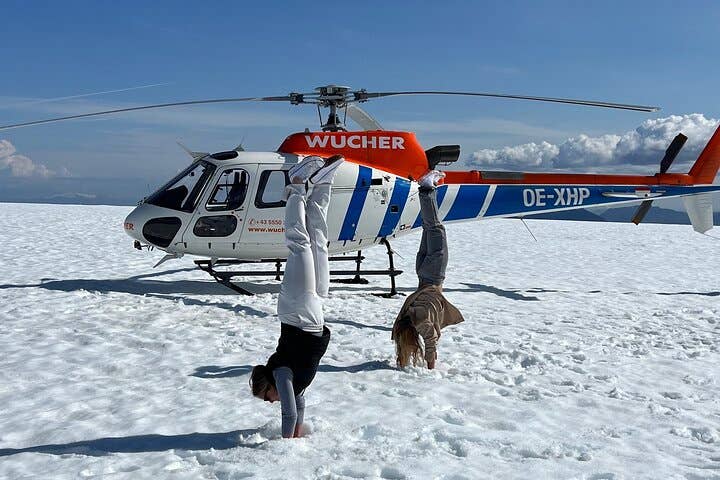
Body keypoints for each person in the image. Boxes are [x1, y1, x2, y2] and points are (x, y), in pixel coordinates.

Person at [250, 154, 343, 438]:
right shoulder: (294, 383)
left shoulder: (281, 374)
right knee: (318, 243)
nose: (270, 402)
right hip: (311, 314)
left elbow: (288, 412)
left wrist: (286, 446)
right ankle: (322, 187)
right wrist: (299, 432)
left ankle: (296, 185)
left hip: (296, 311)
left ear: (268, 386)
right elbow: (298, 408)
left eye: (266, 398)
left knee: (299, 245)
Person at [392, 170, 464, 369]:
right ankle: (427, 189)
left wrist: (431, 363)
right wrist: (402, 358)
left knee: (436, 229)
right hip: (422, 272)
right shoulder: (405, 320)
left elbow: (430, 339)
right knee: (429, 228)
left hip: (433, 275)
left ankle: (426, 188)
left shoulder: (421, 320)